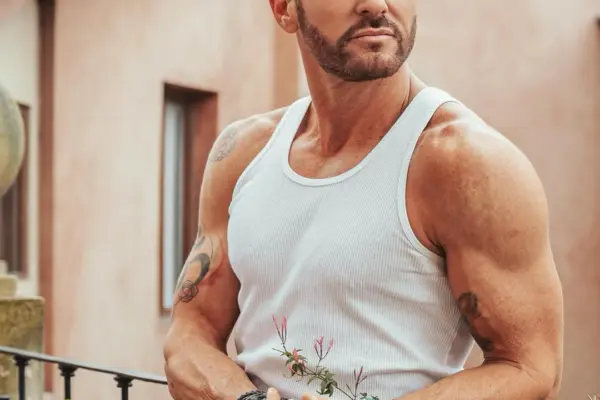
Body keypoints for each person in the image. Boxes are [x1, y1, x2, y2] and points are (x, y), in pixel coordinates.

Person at [163, 0, 564, 399]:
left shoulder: (467, 163)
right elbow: (190, 333)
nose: (375, 5)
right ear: (284, 8)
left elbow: (530, 368)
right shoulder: (244, 153)